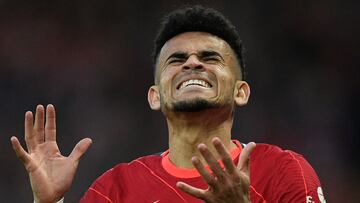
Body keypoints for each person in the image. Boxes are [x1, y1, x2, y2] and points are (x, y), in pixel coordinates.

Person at [11, 5, 326, 203]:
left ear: (240, 92)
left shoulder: (283, 171)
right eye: (176, 59)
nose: (191, 62)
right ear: (155, 96)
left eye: (210, 57)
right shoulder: (115, 189)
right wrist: (48, 202)